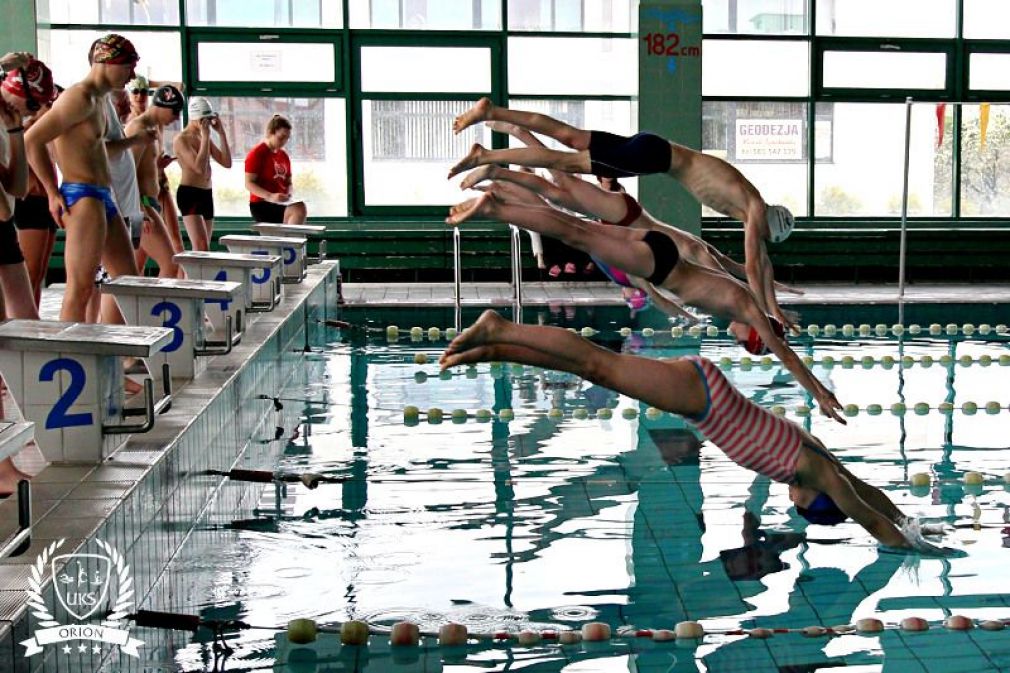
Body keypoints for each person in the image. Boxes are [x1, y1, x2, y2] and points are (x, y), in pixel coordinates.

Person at [439, 310, 954, 554]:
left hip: (706, 397)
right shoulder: (812, 466)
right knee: (599, 366)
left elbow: (869, 495)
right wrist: (918, 549)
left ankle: (495, 346)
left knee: (593, 370)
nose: (791, 499)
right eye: (802, 503)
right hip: (704, 398)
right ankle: (501, 329)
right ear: (816, 494)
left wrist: (910, 522)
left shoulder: (818, 465)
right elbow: (864, 513)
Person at [446, 185, 844, 422]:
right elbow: (787, 356)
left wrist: (777, 313)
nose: (736, 339)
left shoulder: (745, 303)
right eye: (746, 342)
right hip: (661, 264)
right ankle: (496, 206)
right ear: (755, 333)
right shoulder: (747, 310)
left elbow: (750, 277)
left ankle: (501, 200)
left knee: (577, 227)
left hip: (661, 253)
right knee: (578, 235)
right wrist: (819, 393)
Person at [449, 98, 795, 329]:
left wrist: (774, 301)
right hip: (653, 162)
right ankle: (486, 158)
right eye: (761, 233)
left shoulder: (751, 200)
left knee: (569, 140)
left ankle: (493, 111)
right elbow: (751, 264)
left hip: (654, 149)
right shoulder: (752, 210)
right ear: (766, 222)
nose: (756, 235)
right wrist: (768, 313)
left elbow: (760, 262)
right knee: (560, 166)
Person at [25, 34, 142, 323]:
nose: (132, 75)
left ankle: (115, 358)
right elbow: (32, 140)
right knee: (80, 289)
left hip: (103, 196)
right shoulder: (78, 97)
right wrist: (52, 192)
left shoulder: (100, 100)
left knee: (128, 281)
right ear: (106, 61)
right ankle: (66, 366)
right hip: (83, 196)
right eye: (128, 65)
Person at [0, 56, 55, 320]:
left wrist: (15, 133)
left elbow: (17, 187)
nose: (35, 112)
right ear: (16, 90)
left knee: (25, 321)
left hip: (3, 226)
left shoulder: (9, 123)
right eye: (32, 104)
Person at [125, 85, 183, 278]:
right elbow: (127, 173)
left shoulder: (154, 129)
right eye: (175, 111)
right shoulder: (138, 128)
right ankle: (159, 309)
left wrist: (158, 166)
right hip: (142, 207)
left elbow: (144, 168)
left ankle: (132, 309)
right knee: (170, 263)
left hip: (150, 203)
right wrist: (139, 211)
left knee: (132, 270)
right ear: (163, 106)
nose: (176, 117)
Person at [14, 83, 62, 309]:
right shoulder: (28, 133)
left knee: (39, 273)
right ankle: (23, 320)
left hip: (45, 203)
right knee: (29, 272)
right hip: (30, 203)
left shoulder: (49, 134)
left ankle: (32, 316)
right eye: (50, 104)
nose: (54, 109)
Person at [174, 96, 231, 251]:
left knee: (203, 250)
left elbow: (226, 162)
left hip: (206, 194)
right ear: (196, 118)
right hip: (189, 194)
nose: (207, 123)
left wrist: (221, 133)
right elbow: (199, 168)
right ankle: (187, 276)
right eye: (204, 119)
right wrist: (206, 136)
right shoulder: (182, 139)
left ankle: (183, 276)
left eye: (209, 119)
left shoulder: (202, 136)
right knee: (201, 247)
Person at [244, 114, 306, 224]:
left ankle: (291, 238)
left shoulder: (283, 156)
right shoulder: (257, 154)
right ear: (270, 133)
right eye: (281, 138)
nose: (284, 142)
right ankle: (291, 240)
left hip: (281, 202)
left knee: (299, 207)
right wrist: (270, 196)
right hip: (262, 203)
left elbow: (288, 182)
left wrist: (289, 194)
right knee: (298, 209)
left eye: (287, 138)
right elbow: (249, 184)